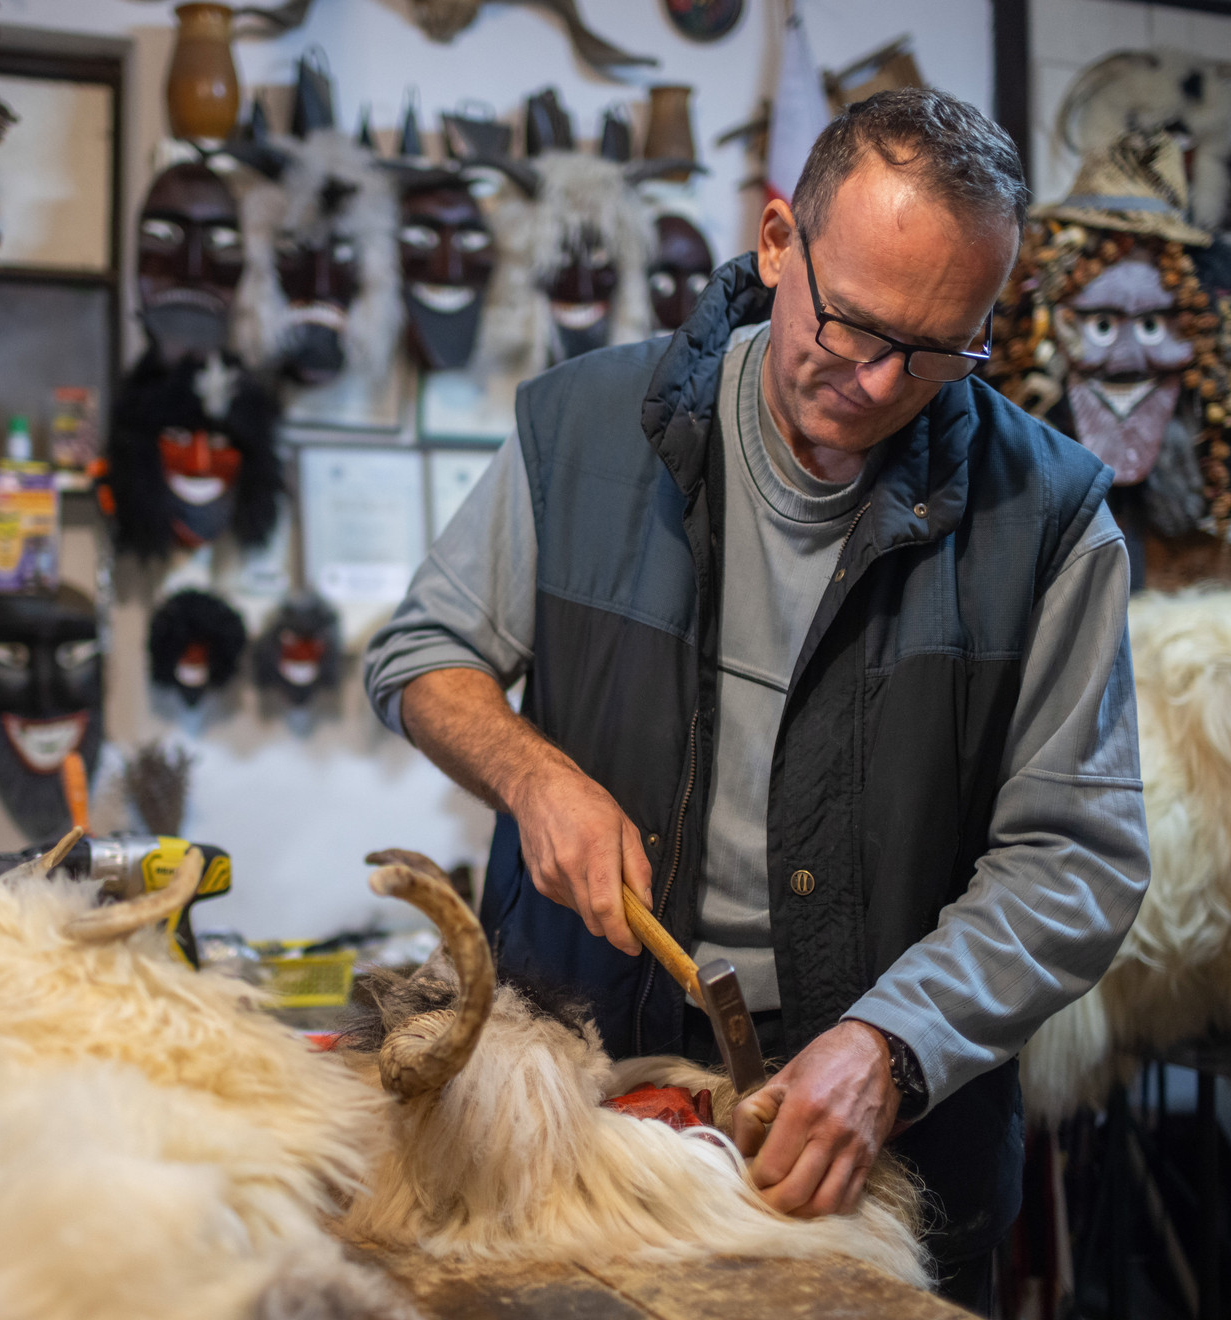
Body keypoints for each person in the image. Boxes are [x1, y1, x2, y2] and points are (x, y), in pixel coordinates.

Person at [362, 88, 1149, 1312]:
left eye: (939, 351)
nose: (880, 381)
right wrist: (534, 774)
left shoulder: (1047, 523)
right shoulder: (581, 431)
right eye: (853, 323)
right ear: (779, 242)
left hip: (879, 1152)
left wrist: (896, 1046)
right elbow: (421, 653)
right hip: (582, 1112)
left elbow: (1079, 859)